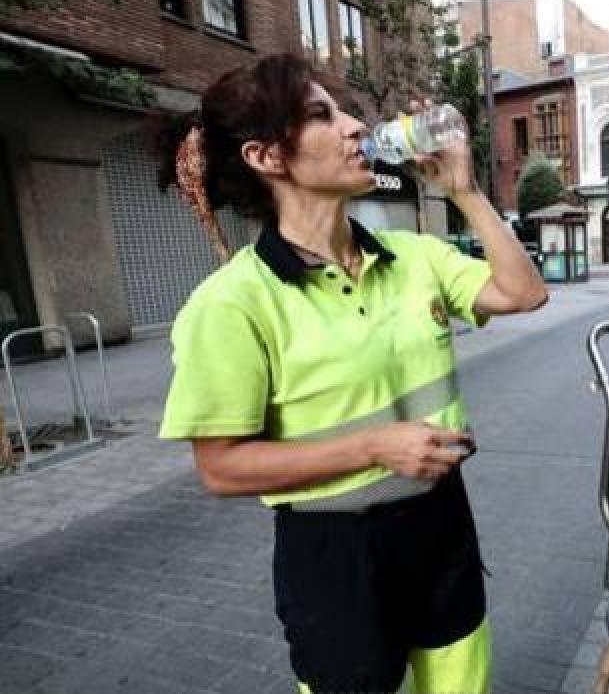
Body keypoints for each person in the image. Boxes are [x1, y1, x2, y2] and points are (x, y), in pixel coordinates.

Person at [156, 54, 547, 694]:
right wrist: (372, 447)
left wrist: (465, 192)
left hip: (442, 528)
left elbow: (523, 293)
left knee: (462, 682)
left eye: (343, 111)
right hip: (335, 556)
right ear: (266, 157)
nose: (354, 126)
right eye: (321, 115)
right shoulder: (231, 304)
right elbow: (220, 466)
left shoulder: (415, 257)